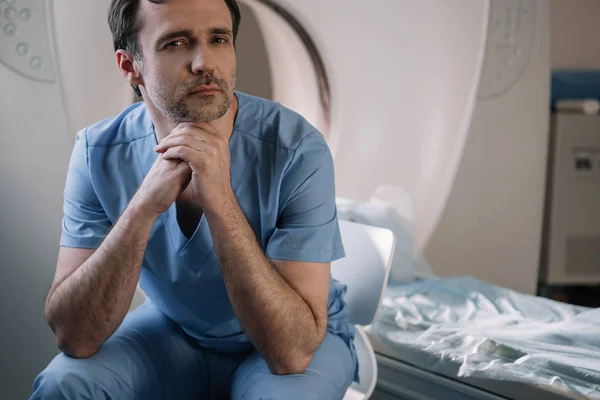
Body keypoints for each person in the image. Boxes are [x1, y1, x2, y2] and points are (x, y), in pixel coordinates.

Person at [30, 0, 357, 398]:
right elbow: (73, 336)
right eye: (176, 43)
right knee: (63, 384)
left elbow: (290, 354)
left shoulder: (297, 150)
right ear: (130, 66)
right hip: (177, 329)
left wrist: (219, 199)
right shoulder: (96, 152)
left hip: (297, 340)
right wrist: (142, 208)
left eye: (218, 38)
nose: (205, 61)